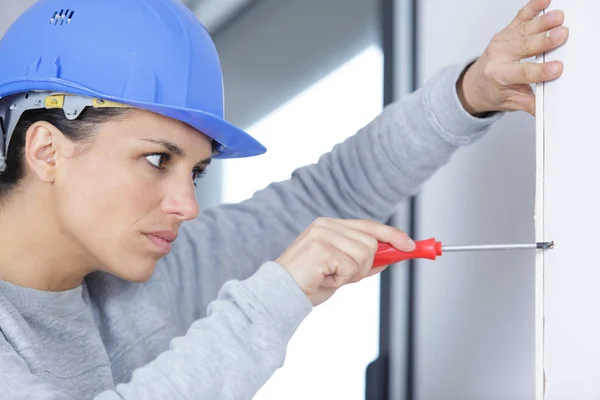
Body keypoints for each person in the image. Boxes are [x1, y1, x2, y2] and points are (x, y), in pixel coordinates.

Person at [0, 0, 567, 398]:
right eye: (157, 160)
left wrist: (471, 94)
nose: (187, 205)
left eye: (195, 173)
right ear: (47, 150)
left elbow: (333, 192)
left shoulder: (153, 273)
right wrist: (273, 299)